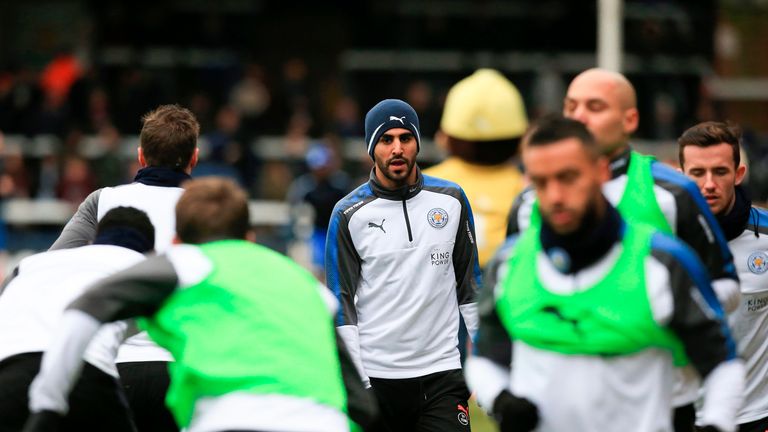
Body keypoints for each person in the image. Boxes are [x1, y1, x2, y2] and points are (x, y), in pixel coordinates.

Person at [23, 178, 376, 432]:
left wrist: (46, 406)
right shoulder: (305, 285)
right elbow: (361, 403)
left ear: (177, 241)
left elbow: (86, 308)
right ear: (249, 238)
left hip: (229, 419)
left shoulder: (187, 264)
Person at [467, 115, 744, 432]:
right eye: (541, 182)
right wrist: (501, 398)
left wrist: (716, 424)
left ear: (600, 172)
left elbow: (722, 363)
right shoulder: (509, 262)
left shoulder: (663, 263)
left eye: (568, 177)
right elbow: (485, 358)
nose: (555, 195)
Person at [326, 99, 480, 431]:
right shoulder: (348, 214)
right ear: (371, 147)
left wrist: (483, 362)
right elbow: (341, 304)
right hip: (378, 379)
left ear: (417, 143)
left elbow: (470, 288)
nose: (397, 148)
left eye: (405, 138)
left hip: (443, 375)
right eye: (386, 139)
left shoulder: (451, 200)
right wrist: (359, 384)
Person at [49, 103, 200, 431]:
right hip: (184, 368)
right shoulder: (210, 207)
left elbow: (52, 268)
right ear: (194, 157)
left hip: (114, 365)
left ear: (141, 156)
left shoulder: (102, 200)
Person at [0, 206, 155, 432]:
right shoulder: (143, 266)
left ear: (95, 238)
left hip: (10, 372)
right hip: (86, 374)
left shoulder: (31, 263)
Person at [679, 121, 768, 432]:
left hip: (755, 418)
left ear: (739, 174)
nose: (709, 184)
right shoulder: (659, 238)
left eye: (720, 172)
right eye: (697, 173)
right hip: (681, 416)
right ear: (682, 177)